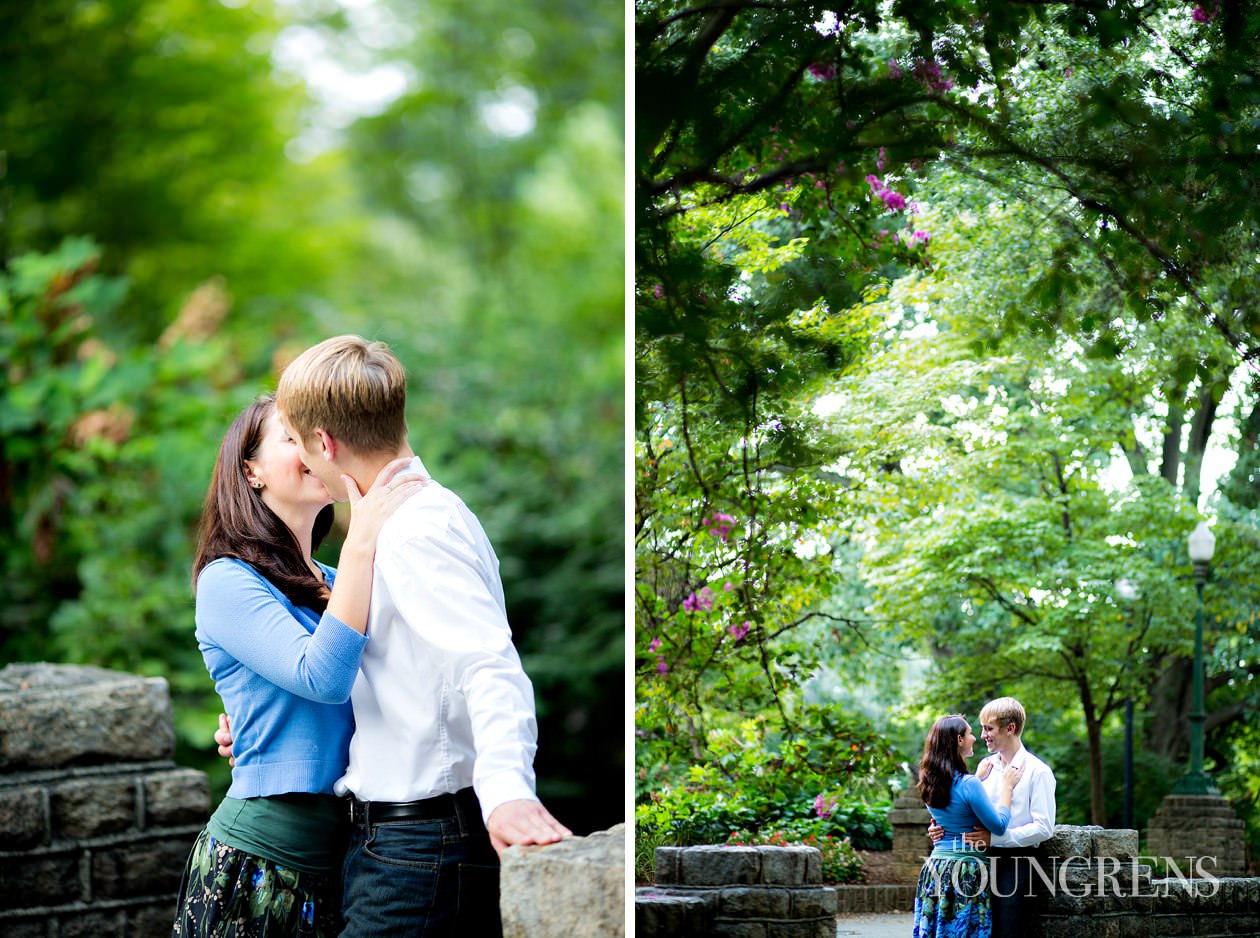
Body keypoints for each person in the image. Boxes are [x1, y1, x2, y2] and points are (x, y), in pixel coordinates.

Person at [266, 334, 570, 936]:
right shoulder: (418, 516)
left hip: (419, 852)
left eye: (300, 444)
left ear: (326, 442)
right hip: (404, 844)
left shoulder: (417, 531)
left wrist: (507, 789)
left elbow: (487, 663)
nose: (303, 460)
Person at [173, 394, 426, 937]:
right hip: (260, 863)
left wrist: (260, 723)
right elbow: (324, 677)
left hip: (354, 859)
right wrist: (364, 536)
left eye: (314, 436)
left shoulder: (339, 581)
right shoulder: (227, 579)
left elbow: (395, 691)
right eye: (291, 438)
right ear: (251, 470)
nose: (312, 448)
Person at [927, 696, 1057, 938]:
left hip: (1016, 862)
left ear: (1010, 728)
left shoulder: (1038, 772)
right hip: (975, 861)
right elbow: (964, 805)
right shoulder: (985, 767)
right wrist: (936, 825)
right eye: (981, 728)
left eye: (989, 728)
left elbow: (1044, 827)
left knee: (1006, 929)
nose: (982, 734)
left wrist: (996, 839)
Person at [913, 714, 1022, 938]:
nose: (976, 737)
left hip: (936, 868)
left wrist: (976, 779)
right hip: (965, 871)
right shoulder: (969, 784)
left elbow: (951, 810)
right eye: (971, 733)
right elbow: (1000, 826)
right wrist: (1007, 787)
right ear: (959, 740)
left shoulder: (928, 782)